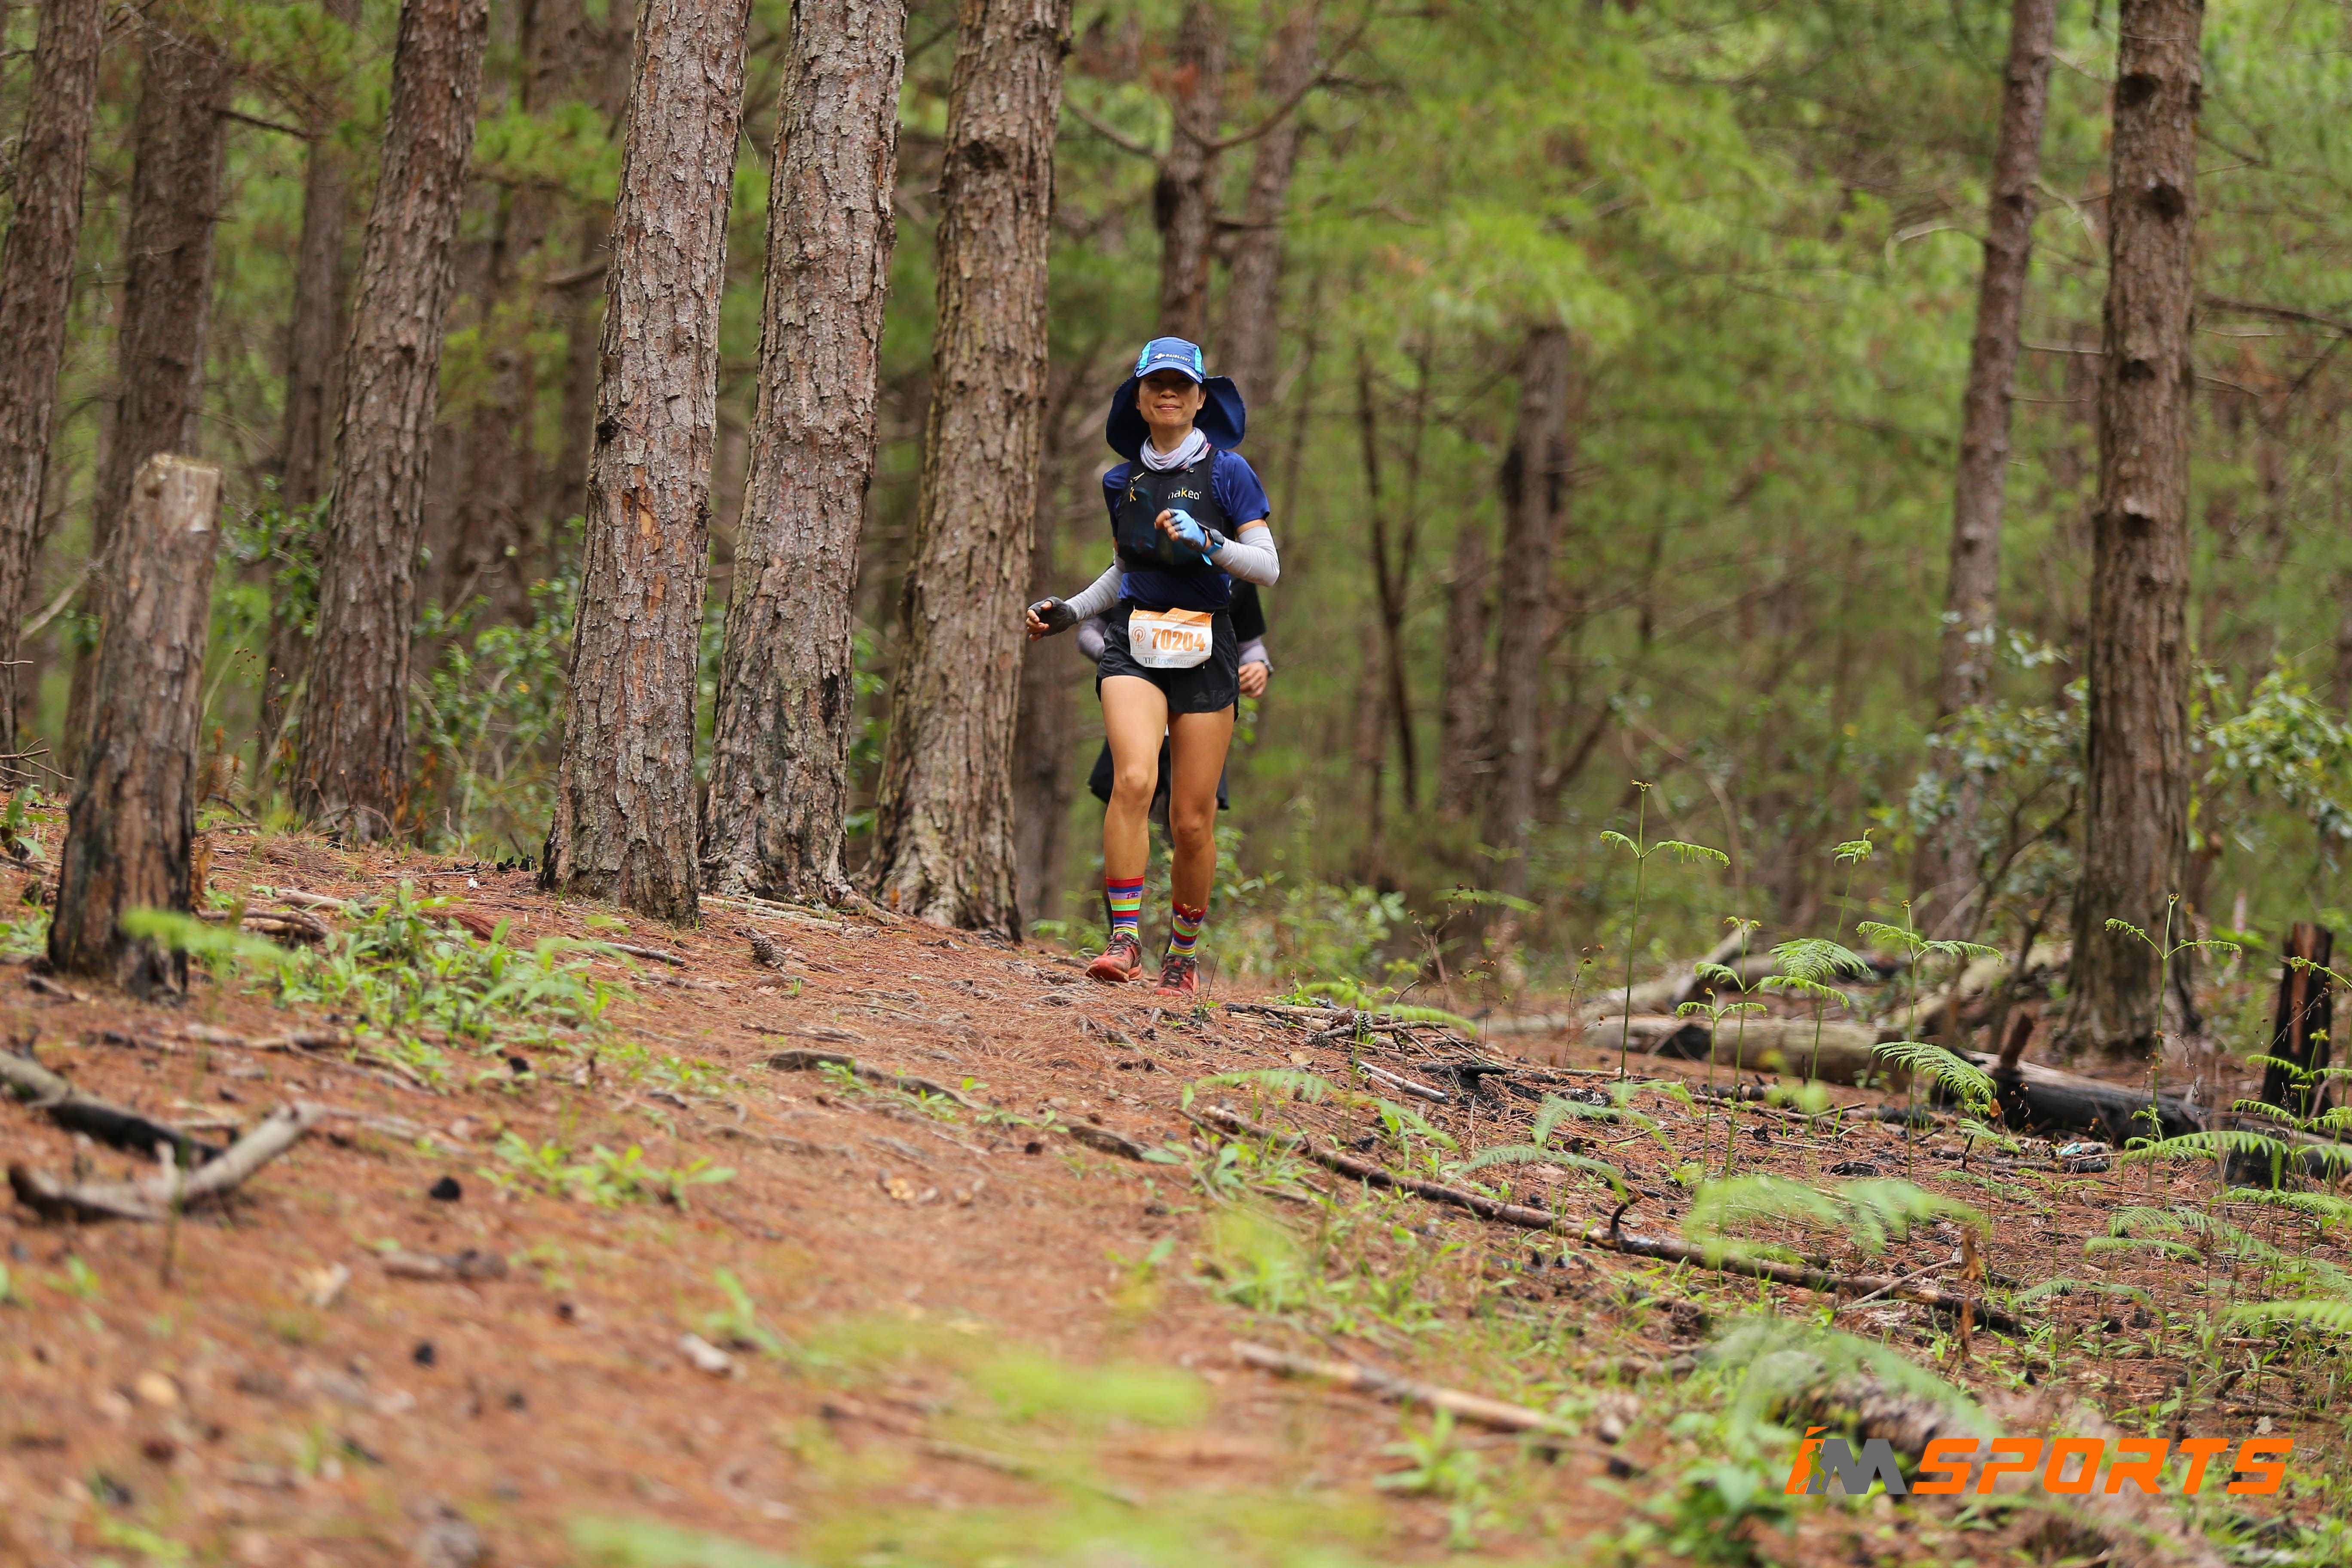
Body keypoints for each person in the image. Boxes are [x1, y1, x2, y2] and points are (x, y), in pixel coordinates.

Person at [1027, 337, 1280, 999]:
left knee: (1192, 820)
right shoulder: (1121, 481)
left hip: (1207, 646)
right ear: (1138, 399)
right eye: (1155, 384)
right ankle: (1124, 940)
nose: (1168, 394)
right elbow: (1124, 571)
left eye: (1181, 385)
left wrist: (1211, 542)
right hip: (1134, 642)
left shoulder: (1230, 473)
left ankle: (1183, 956)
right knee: (1134, 779)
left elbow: (1268, 567)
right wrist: (1070, 610)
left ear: (1200, 399)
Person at [1079, 580, 1271, 826]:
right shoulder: (1138, 558)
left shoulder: (1235, 568)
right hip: (1140, 713)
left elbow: (1250, 643)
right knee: (1129, 802)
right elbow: (1091, 629)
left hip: (1203, 710)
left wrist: (1259, 665)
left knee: (1194, 826)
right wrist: (1123, 659)